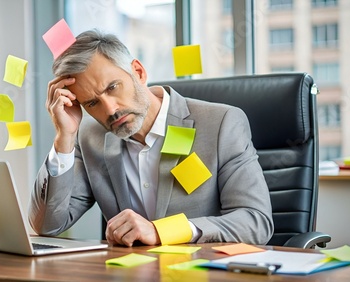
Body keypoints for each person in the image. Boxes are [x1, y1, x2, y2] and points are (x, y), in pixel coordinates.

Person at [28, 29, 274, 247]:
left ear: (138, 72)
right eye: (92, 103)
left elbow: (255, 221)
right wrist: (64, 138)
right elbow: (47, 225)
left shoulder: (221, 123)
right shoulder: (90, 137)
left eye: (112, 87)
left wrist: (161, 231)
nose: (110, 110)